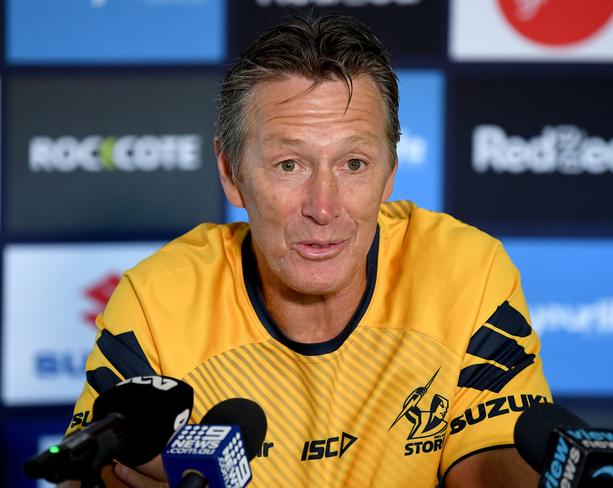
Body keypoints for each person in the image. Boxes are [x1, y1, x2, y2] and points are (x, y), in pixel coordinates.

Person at [63, 14, 551, 487]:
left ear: (391, 173)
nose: (323, 207)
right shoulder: (157, 301)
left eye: (354, 163)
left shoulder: (466, 271)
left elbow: (497, 467)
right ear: (231, 173)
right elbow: (90, 473)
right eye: (289, 164)